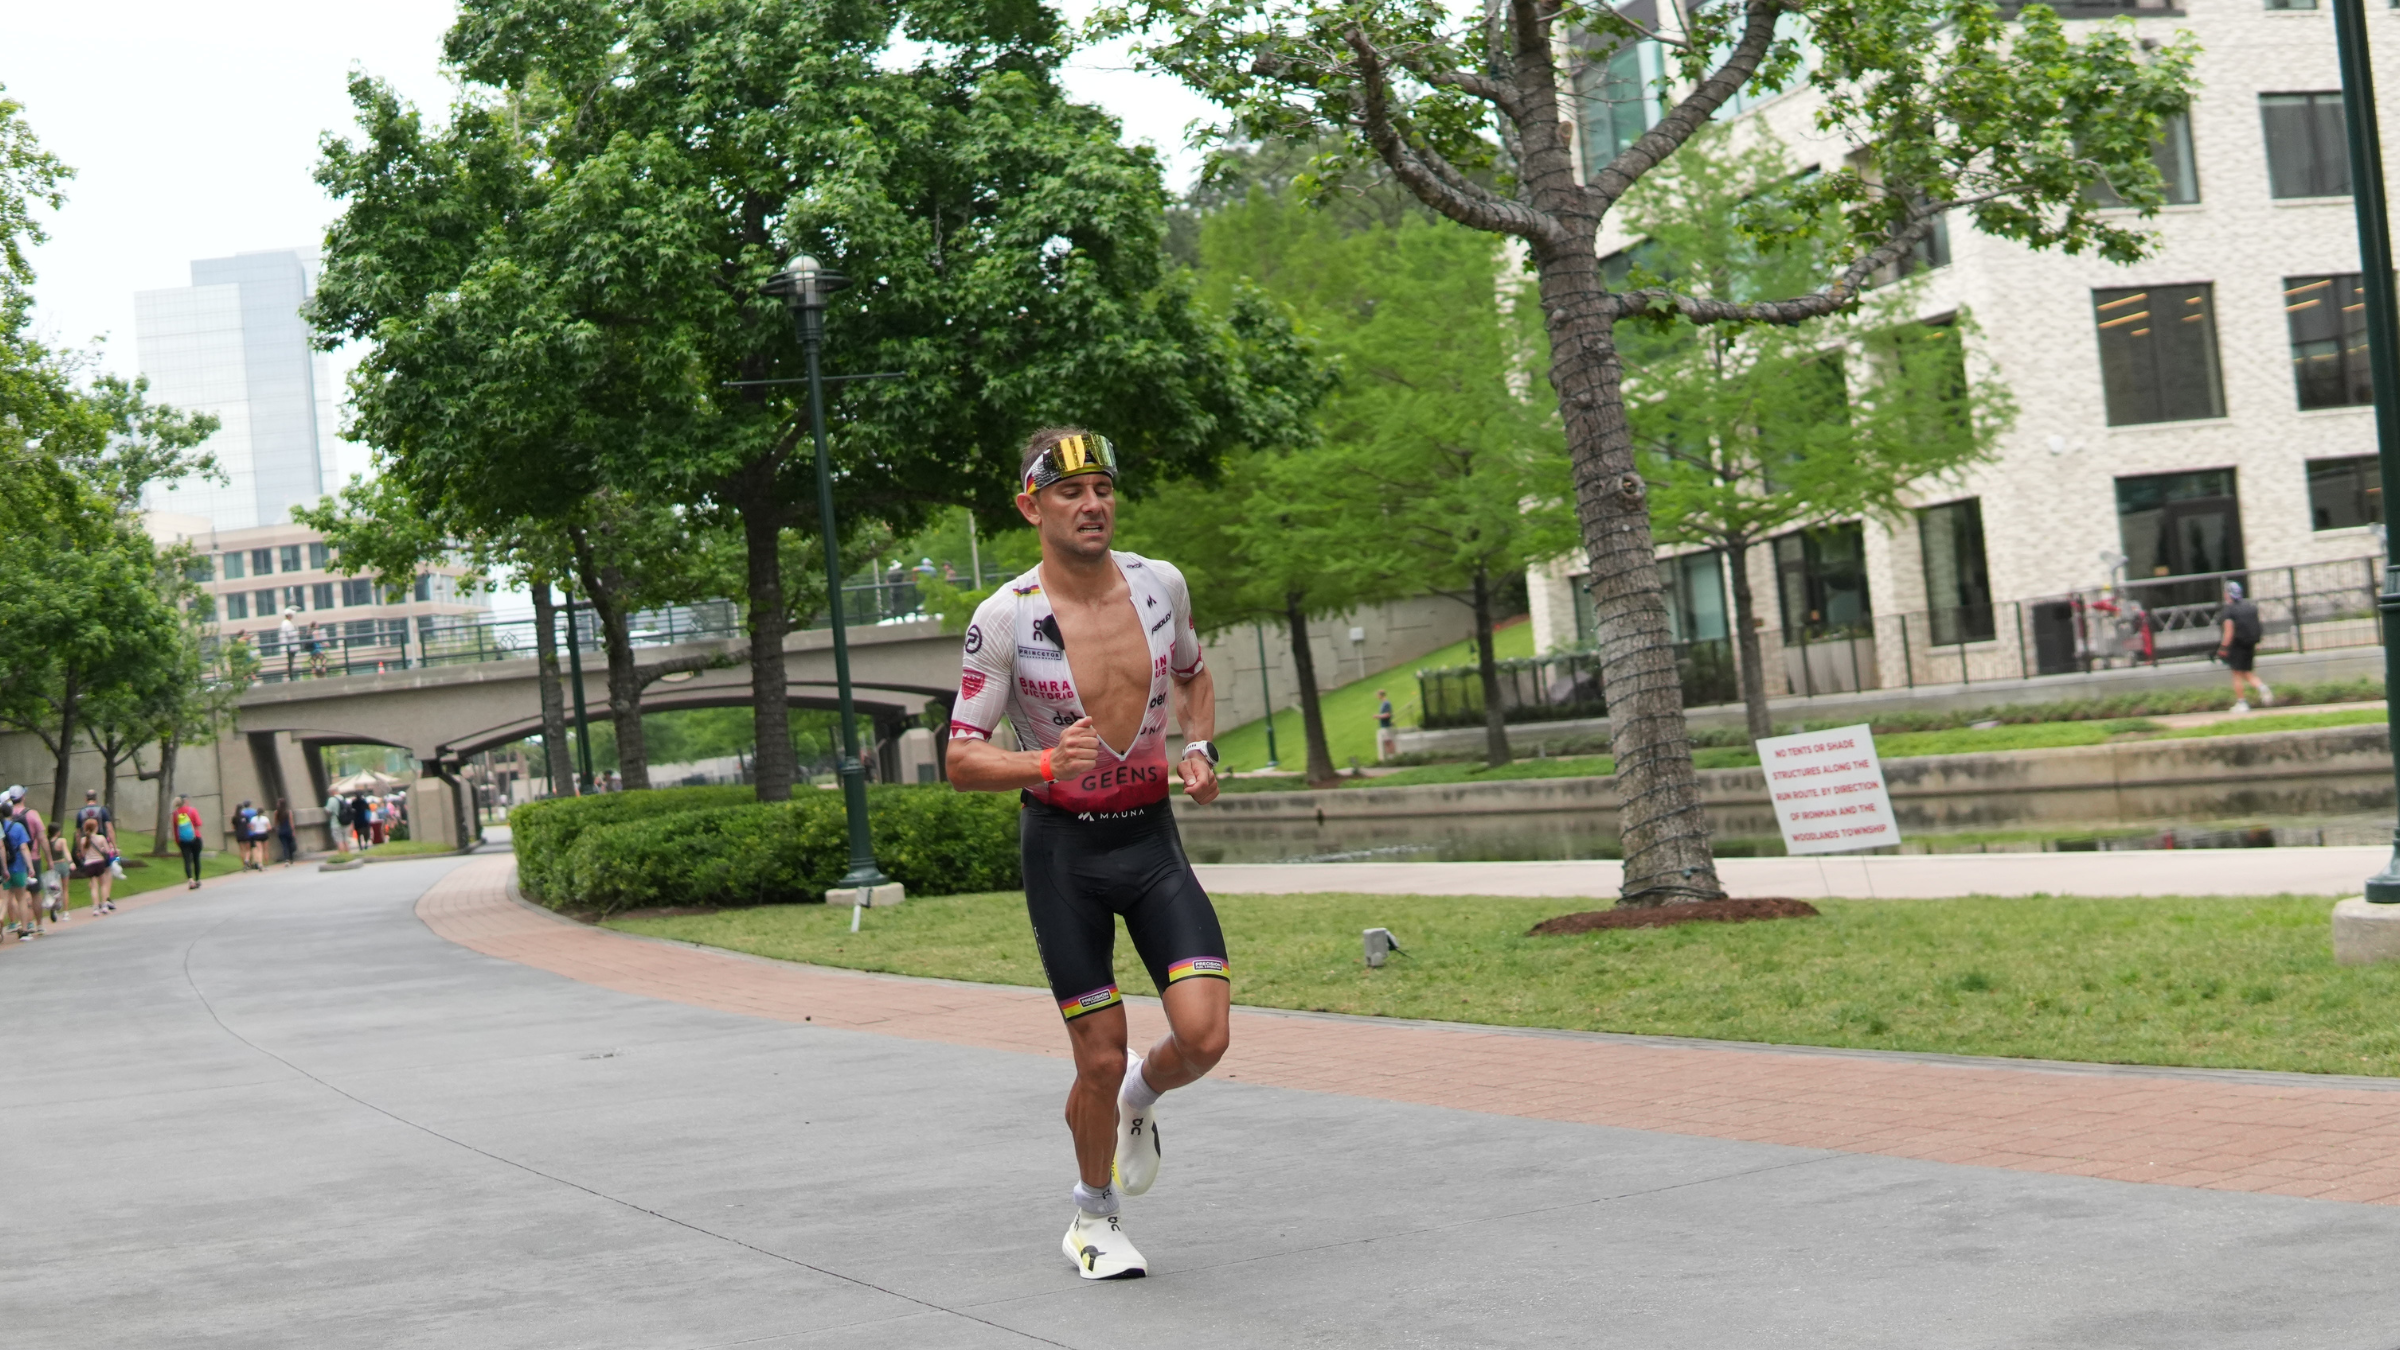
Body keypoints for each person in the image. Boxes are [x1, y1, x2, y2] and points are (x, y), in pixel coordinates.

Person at [945, 428, 1227, 1281]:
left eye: (1102, 487)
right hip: (1064, 852)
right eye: (1070, 492)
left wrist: (1201, 747)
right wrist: (1039, 762)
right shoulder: (1005, 616)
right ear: (1032, 506)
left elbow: (1193, 674)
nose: (1092, 504)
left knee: (1205, 1038)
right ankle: (1092, 1219)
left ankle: (1144, 1096)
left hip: (1150, 838)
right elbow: (959, 757)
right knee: (1097, 1053)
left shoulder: (1159, 584)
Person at [2217, 580, 2273, 712]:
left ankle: (2242, 702)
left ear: (2228, 594)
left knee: (2236, 674)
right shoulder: (2250, 607)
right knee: (2246, 672)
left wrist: (2223, 648)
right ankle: (2263, 688)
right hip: (2250, 644)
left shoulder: (2229, 611)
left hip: (2237, 645)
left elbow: (2229, 631)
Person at [4, 799, 40, 940]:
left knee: (5, 898)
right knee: (21, 899)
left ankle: (4, 919)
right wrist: (30, 867)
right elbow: (24, 848)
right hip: (18, 867)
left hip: (3, 869)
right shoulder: (18, 827)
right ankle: (25, 930)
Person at [72, 817, 117, 913]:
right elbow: (108, 851)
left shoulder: (83, 840)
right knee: (103, 884)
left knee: (93, 885)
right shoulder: (101, 838)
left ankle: (96, 907)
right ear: (96, 827)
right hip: (100, 862)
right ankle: (104, 905)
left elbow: (83, 854)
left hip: (89, 864)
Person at [170, 796, 206, 889]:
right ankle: (197, 880)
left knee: (187, 860)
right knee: (196, 859)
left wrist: (177, 841)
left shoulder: (175, 813)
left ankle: (190, 880)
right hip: (195, 837)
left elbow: (175, 829)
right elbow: (199, 823)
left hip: (183, 840)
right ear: (185, 802)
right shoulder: (192, 810)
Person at [1375, 688, 1399, 762]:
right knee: (1386, 741)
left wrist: (1378, 716)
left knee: (1389, 741)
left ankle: (1393, 756)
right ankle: (1390, 756)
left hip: (1386, 725)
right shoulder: (1383, 704)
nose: (1377, 696)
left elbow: (1388, 714)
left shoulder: (1386, 703)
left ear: (1381, 695)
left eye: (1378, 695)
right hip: (1383, 725)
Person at [326, 787, 352, 853]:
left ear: (332, 792)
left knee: (339, 841)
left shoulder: (332, 799)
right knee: (345, 840)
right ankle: (348, 855)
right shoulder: (343, 798)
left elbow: (328, 810)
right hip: (345, 822)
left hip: (336, 823)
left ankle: (342, 856)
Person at [273, 798, 297, 866]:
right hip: (288, 830)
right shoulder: (288, 812)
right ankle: (291, 858)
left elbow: (275, 822)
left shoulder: (276, 812)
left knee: (284, 845)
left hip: (281, 830)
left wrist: (276, 829)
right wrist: (293, 831)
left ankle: (286, 859)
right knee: (290, 845)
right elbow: (291, 822)